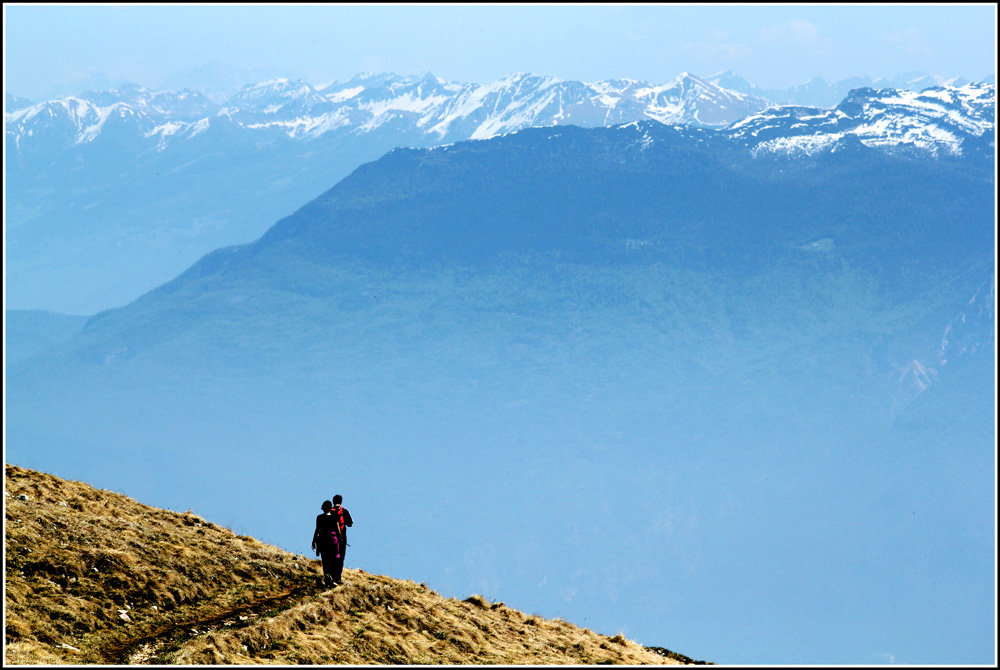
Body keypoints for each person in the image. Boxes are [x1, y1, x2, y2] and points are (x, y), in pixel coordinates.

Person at [311, 500, 341, 588]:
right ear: (330, 508)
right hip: (332, 540)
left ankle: (327, 577)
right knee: (333, 560)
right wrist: (341, 541)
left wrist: (313, 541)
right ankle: (332, 578)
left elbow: (317, 530)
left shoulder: (319, 518)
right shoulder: (335, 517)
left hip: (322, 540)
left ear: (323, 508)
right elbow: (338, 531)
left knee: (325, 560)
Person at [330, 494, 353, 584]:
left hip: (330, 538)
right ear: (341, 501)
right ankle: (337, 578)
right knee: (340, 557)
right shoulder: (344, 511)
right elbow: (350, 524)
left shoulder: (329, 511)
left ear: (333, 501)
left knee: (330, 557)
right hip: (341, 538)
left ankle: (330, 576)